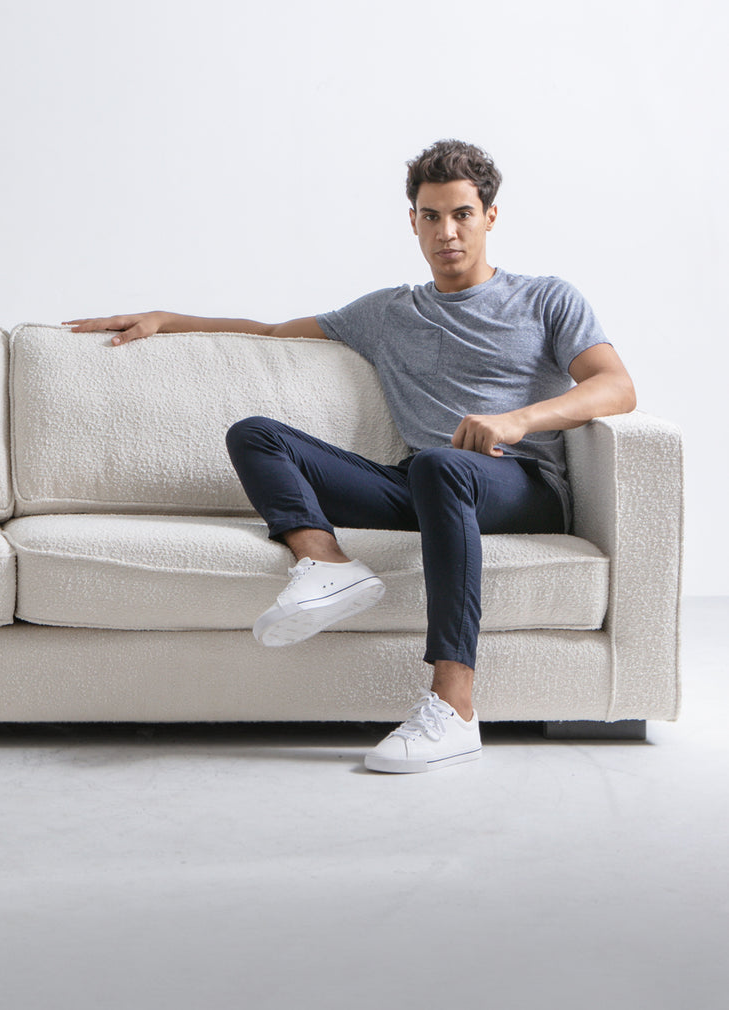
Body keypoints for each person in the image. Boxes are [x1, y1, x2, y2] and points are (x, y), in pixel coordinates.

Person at [62, 139, 636, 774]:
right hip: (428, 483)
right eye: (430, 216)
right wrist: (170, 318)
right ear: (412, 221)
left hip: (521, 485)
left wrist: (516, 420)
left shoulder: (546, 299)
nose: (446, 231)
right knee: (256, 435)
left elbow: (617, 387)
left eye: (462, 215)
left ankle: (455, 709)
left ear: (489, 217)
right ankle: (326, 562)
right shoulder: (389, 312)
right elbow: (276, 334)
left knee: (437, 466)